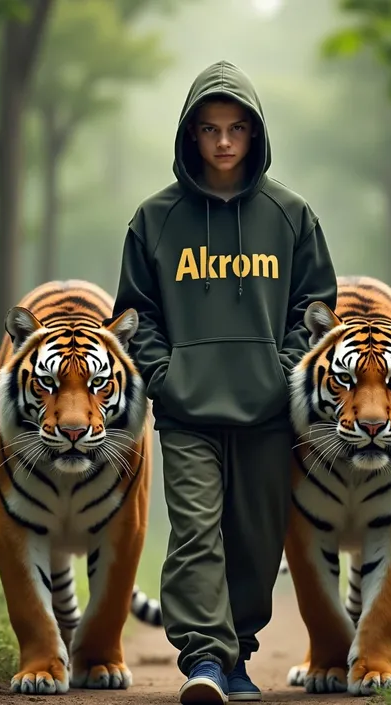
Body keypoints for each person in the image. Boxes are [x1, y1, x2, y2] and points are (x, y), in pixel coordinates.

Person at [108, 60, 337, 704]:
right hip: (187, 410)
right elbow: (135, 314)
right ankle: (206, 660)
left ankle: (240, 651)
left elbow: (315, 306)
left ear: (256, 134)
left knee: (257, 543)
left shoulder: (291, 216)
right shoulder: (154, 220)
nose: (225, 142)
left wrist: (284, 370)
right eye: (210, 129)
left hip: (268, 411)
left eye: (237, 128)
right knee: (195, 532)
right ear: (191, 136)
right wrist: (164, 376)